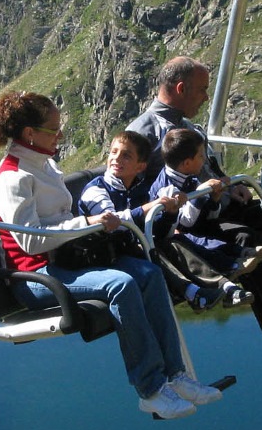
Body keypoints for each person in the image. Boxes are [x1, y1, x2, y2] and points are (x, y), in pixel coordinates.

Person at [0, 90, 221, 419]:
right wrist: (88, 222)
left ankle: (176, 376)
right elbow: (29, 242)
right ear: (30, 134)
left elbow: (59, 220)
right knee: (120, 284)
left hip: (69, 261)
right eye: (54, 129)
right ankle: (150, 389)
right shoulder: (13, 178)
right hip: (37, 276)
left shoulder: (43, 165)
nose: (60, 134)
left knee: (148, 274)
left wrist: (88, 225)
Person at [127, 56, 262, 355]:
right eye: (202, 90)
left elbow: (210, 168)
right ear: (181, 88)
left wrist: (232, 186)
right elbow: (133, 188)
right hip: (192, 220)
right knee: (247, 242)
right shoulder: (143, 132)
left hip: (221, 204)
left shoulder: (187, 126)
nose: (207, 97)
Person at [78, 130, 249, 311]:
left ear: (140, 167)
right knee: (151, 250)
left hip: (131, 247)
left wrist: (170, 215)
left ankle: (224, 285)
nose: (116, 158)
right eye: (113, 152)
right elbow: (112, 223)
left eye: (126, 155)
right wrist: (150, 208)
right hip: (104, 255)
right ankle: (195, 291)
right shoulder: (96, 190)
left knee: (172, 241)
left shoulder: (139, 191)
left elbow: (159, 232)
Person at [149, 127, 262, 305]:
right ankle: (233, 267)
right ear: (187, 163)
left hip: (197, 224)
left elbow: (208, 216)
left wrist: (214, 199)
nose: (204, 161)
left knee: (228, 234)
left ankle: (240, 256)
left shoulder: (189, 176)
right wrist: (201, 193)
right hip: (176, 232)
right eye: (201, 156)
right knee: (199, 243)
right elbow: (186, 221)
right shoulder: (168, 188)